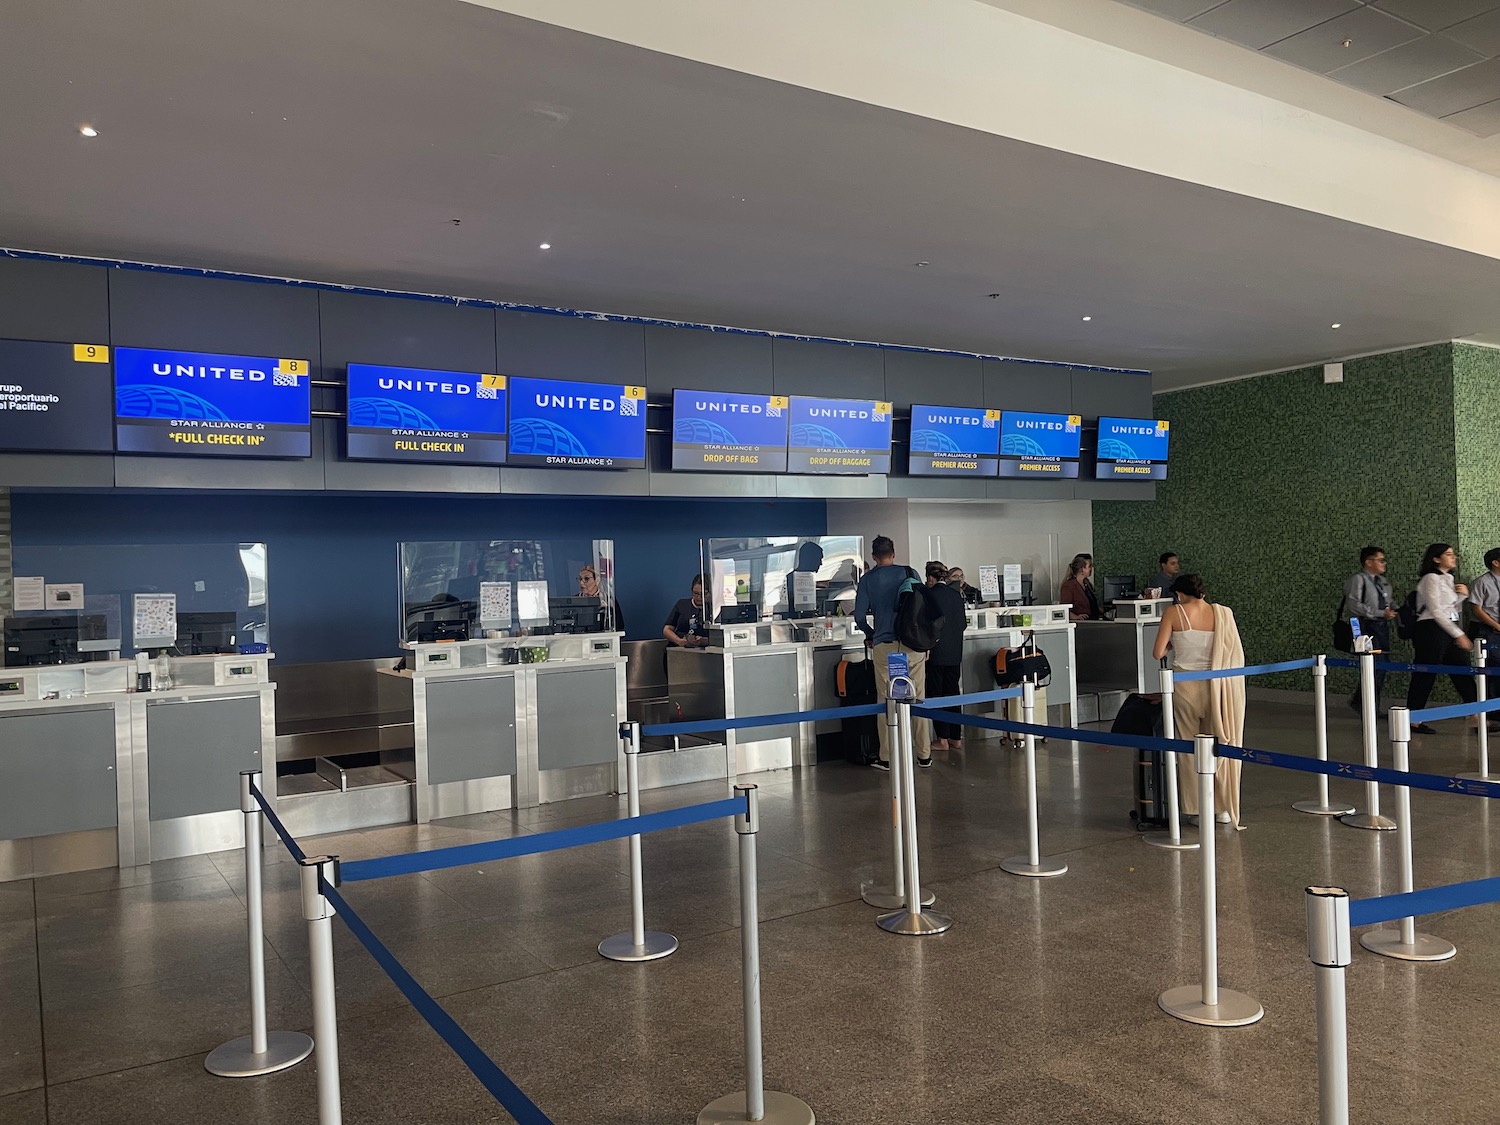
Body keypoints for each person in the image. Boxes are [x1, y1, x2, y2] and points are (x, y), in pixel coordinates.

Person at [1151, 573, 1246, 828]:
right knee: (1221, 743)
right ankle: (1224, 806)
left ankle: (1195, 808)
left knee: (1188, 747)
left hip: (1185, 686)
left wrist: (1173, 645)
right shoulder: (1222, 613)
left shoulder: (1174, 612)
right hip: (1218, 686)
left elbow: (1157, 652)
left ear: (1180, 594)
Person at [854, 535, 932, 771]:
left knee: (886, 699)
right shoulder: (910, 573)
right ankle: (924, 754)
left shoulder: (868, 580)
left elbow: (858, 617)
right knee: (917, 697)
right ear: (894, 553)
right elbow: (923, 608)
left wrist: (871, 634)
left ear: (874, 556)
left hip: (884, 645)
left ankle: (887, 757)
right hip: (913, 645)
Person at [1407, 543, 1476, 733]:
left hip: (1446, 628)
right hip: (1430, 630)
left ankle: (1477, 715)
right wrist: (1459, 634)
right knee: (1425, 674)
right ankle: (1413, 719)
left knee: (1462, 671)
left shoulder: (1449, 578)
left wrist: (1461, 596)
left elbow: (1448, 608)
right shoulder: (1430, 578)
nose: (1453, 557)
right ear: (1436, 558)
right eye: (1448, 554)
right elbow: (1436, 611)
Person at [1342, 546, 1394, 715]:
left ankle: (1365, 703)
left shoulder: (1382, 582)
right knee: (1372, 665)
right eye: (1380, 560)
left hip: (1381, 626)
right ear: (1368, 562)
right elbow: (1354, 605)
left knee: (1381, 666)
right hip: (1365, 626)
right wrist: (1379, 613)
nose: (1384, 563)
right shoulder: (1358, 579)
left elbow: (1389, 602)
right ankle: (1367, 706)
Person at [924, 561, 968, 751]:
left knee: (936, 694)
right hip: (955, 652)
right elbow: (963, 624)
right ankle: (955, 737)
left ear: (930, 578)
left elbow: (925, 625)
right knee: (953, 693)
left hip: (935, 652)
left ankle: (941, 738)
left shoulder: (928, 596)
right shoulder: (956, 596)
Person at [663, 574, 710, 649]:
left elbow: (720, 638)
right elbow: (667, 629)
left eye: (703, 594)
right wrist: (678, 640)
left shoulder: (714, 610)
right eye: (695, 593)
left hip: (703, 651)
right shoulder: (682, 605)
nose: (699, 597)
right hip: (679, 648)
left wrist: (704, 641)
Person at [578, 564, 624, 632]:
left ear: (597, 580)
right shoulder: (574, 601)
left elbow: (619, 627)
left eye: (586, 579)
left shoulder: (608, 601)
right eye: (580, 579)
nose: (581, 583)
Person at [1059, 553, 1101, 621]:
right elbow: (1064, 608)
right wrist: (1075, 617)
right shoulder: (1069, 586)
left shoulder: (1087, 583)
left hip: (1091, 621)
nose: (1091, 569)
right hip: (1080, 624)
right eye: (1089, 566)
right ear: (1082, 568)